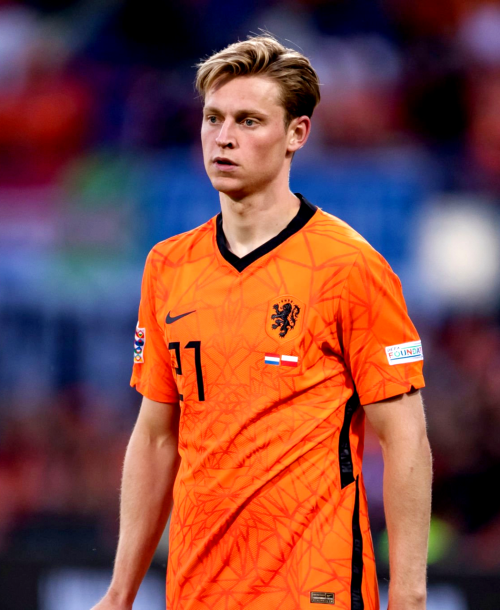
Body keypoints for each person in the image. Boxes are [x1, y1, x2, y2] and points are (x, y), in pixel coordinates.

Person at [92, 35, 432, 610]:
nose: (224, 137)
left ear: (297, 133)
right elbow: (155, 436)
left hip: (313, 586)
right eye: (213, 118)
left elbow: (405, 438)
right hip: (197, 589)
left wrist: (410, 594)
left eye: (249, 121)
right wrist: (120, 591)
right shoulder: (168, 266)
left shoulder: (350, 267)